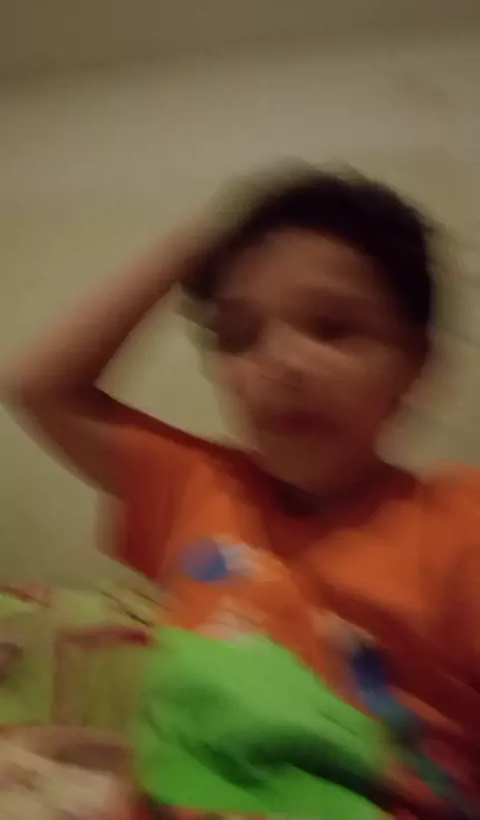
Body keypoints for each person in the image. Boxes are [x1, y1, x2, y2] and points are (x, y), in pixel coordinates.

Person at [2, 167, 480, 819]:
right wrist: (198, 242)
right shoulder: (197, 485)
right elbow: (37, 386)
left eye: (333, 327)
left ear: (415, 363)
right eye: (239, 336)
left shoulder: (459, 524)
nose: (280, 362)